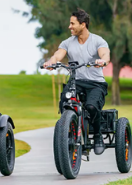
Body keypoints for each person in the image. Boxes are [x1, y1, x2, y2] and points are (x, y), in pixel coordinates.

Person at [43, 8, 111, 155]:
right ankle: (68, 130)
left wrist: (102, 61)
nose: (70, 27)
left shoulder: (98, 41)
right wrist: (51, 62)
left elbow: (105, 54)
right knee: (65, 101)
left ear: (83, 24)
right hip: (77, 82)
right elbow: (57, 55)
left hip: (95, 83)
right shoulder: (68, 42)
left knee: (92, 107)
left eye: (72, 23)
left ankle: (98, 136)